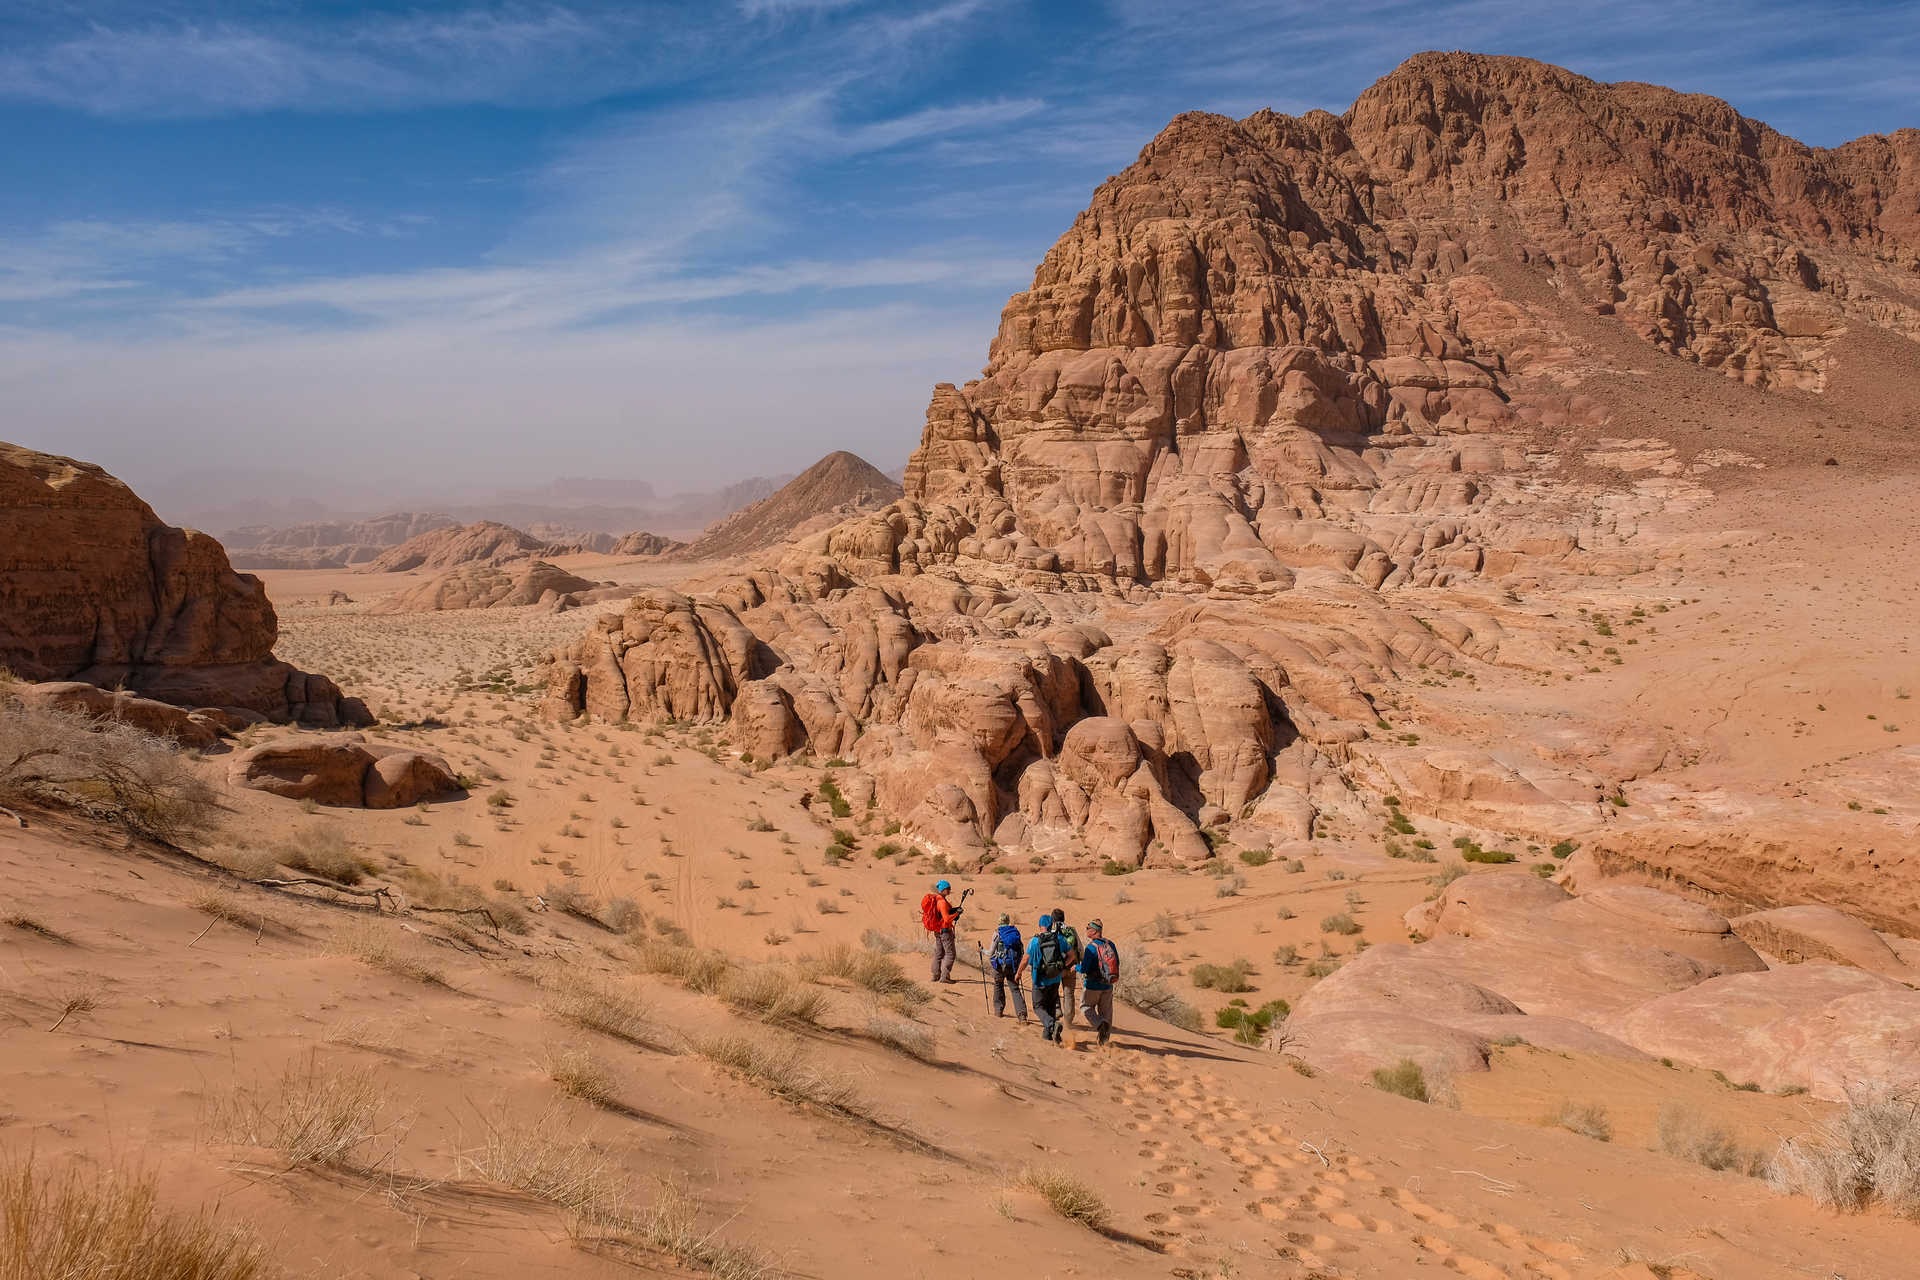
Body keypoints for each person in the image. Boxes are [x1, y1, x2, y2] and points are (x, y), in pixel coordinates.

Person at [1077, 918, 1120, 1045]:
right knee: (1106, 1013)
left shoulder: (1091, 948)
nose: (1086, 930)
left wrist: (1076, 967)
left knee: (1085, 1007)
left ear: (1094, 931)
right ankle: (1104, 1041)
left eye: (1088, 928)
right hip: (1108, 984)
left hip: (1092, 985)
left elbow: (1084, 968)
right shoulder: (1110, 944)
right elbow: (1117, 962)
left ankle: (1100, 1025)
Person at [1028, 913, 1068, 1044]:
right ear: (1051, 925)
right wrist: (1062, 967)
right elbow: (1072, 955)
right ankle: (1048, 1035)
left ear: (1040, 926)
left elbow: (1025, 959)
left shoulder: (1035, 941)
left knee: (1038, 1006)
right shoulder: (1060, 939)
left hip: (1039, 979)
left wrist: (1018, 973)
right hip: (1055, 979)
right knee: (1051, 1005)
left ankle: (1052, 1025)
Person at [988, 912, 1028, 1022]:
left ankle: (998, 1010)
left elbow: (991, 952)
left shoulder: (997, 933)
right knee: (1015, 989)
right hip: (1013, 965)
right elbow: (1021, 948)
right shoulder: (1015, 933)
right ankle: (1022, 1016)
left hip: (1000, 966)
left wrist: (983, 952)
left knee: (998, 985)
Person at [921, 878, 962, 983]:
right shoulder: (942, 902)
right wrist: (957, 914)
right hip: (945, 931)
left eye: (949, 888)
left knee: (939, 953)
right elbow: (947, 919)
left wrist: (953, 911)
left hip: (938, 930)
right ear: (943, 889)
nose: (949, 890)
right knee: (950, 954)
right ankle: (945, 977)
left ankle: (935, 975)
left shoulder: (938, 899)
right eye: (948, 888)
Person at [1051, 906, 1082, 1029]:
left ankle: (1057, 1009)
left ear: (1052, 919)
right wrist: (1080, 963)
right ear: (1064, 919)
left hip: (1056, 967)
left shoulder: (1052, 931)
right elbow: (1080, 948)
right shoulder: (1071, 930)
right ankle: (1068, 1021)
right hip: (1071, 967)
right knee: (1069, 994)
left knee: (1053, 989)